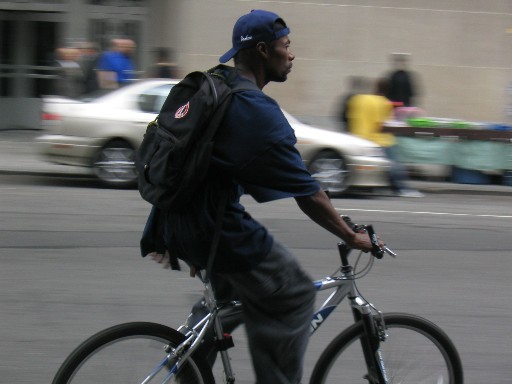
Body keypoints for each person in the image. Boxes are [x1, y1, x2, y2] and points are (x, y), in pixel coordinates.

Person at [141, 10, 380, 384]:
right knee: (296, 293)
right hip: (212, 226)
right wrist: (350, 235)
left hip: (183, 220)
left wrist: (175, 234)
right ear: (265, 51)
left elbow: (184, 161)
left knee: (234, 298)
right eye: (286, 46)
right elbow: (307, 192)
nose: (292, 54)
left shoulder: (216, 82)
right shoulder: (254, 108)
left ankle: (189, 362)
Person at [347, 77, 424, 197]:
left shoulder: (357, 99)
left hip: (359, 137)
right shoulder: (383, 103)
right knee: (394, 166)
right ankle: (402, 188)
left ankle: (376, 187)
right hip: (379, 139)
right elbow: (383, 123)